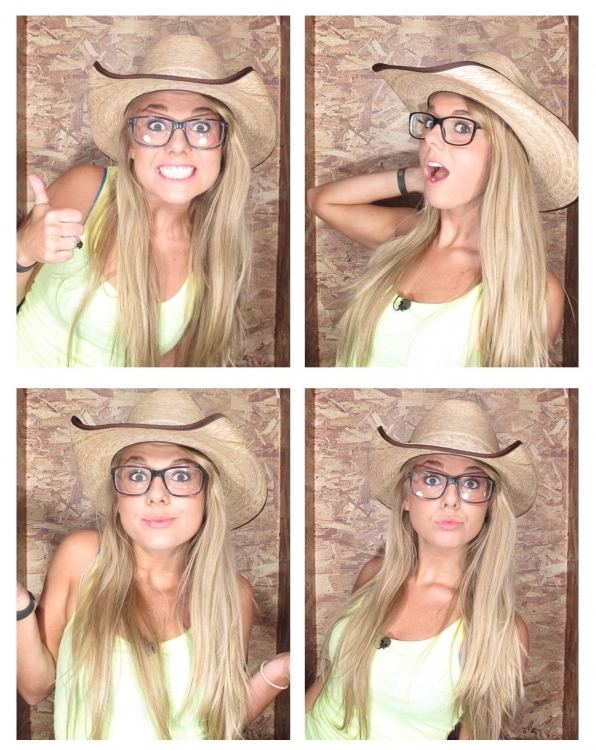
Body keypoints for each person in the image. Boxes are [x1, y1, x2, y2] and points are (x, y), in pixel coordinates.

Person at [17, 390, 289, 739]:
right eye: (136, 475)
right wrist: (17, 604)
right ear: (117, 496)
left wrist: (279, 672)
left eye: (181, 476)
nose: (156, 495)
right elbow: (35, 689)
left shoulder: (233, 594)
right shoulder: (81, 558)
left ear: (208, 496)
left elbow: (220, 722)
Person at [17, 35, 276, 367]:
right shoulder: (87, 188)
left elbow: (168, 367)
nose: (178, 146)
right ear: (130, 145)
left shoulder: (217, 249)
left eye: (201, 126)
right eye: (156, 124)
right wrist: (21, 251)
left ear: (223, 147)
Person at [307, 52, 578, 367]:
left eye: (461, 126)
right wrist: (417, 177)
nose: (431, 137)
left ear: (503, 156)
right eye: (430, 121)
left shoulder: (534, 290)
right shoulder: (406, 235)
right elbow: (320, 199)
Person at [305, 399, 536, 740]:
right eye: (431, 478)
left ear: (488, 505)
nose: (451, 499)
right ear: (405, 497)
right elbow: (331, 679)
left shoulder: (501, 630)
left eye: (472, 483)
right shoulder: (373, 576)